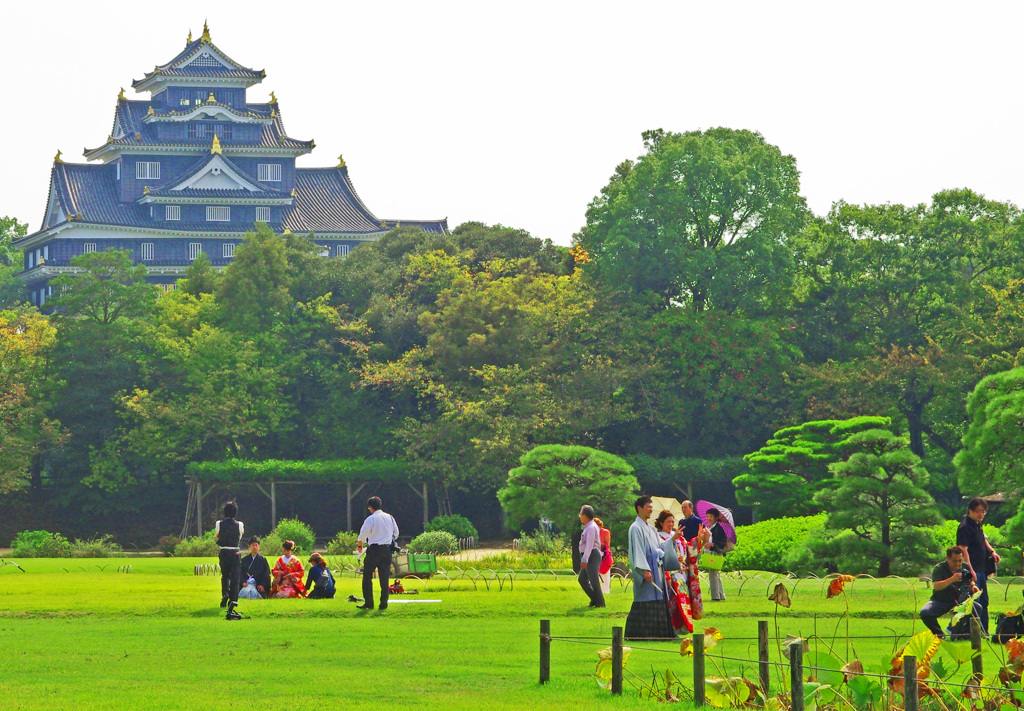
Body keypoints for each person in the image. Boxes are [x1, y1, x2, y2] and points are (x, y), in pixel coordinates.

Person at [625, 495, 682, 640]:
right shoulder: (635, 528)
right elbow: (637, 551)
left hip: (657, 570)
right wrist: (644, 570)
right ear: (639, 508)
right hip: (648, 571)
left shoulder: (650, 528)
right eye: (648, 507)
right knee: (645, 600)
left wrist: (673, 539)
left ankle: (660, 634)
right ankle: (639, 635)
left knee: (658, 600)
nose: (651, 510)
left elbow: (661, 546)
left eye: (651, 507)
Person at [957, 497, 1000, 633]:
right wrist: (970, 569)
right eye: (978, 511)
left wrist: (992, 551)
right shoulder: (965, 527)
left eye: (983, 512)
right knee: (974, 603)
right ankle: (963, 631)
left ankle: (984, 631)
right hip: (973, 570)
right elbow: (963, 549)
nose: (981, 514)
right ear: (970, 511)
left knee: (983, 602)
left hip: (981, 569)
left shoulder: (977, 524)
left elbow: (983, 539)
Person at [920, 546, 983, 639]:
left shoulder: (965, 566)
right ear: (947, 558)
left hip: (960, 601)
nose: (957, 564)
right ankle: (940, 635)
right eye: (954, 561)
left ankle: (964, 635)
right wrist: (951, 579)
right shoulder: (939, 568)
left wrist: (973, 586)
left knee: (977, 608)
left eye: (960, 561)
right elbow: (936, 586)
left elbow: (969, 580)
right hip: (941, 600)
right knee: (925, 612)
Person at [357, 495, 399, 611]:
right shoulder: (389, 517)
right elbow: (396, 533)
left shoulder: (371, 519)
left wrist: (360, 545)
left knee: (367, 576)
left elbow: (363, 533)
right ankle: (383, 603)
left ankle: (369, 603)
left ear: (370, 507)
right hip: (386, 550)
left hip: (374, 549)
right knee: (384, 577)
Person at [215, 501, 244, 620]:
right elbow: (240, 536)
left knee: (225, 575)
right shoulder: (240, 524)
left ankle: (225, 594)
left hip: (224, 551)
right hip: (235, 552)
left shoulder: (219, 523)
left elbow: (217, 536)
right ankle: (233, 601)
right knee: (235, 578)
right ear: (235, 512)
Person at [577, 505, 605, 608]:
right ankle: (594, 599)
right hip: (589, 554)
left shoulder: (591, 527)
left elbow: (589, 545)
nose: (580, 516)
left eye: (581, 514)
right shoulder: (588, 526)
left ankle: (600, 602)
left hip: (592, 555)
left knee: (593, 580)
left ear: (585, 515)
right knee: (582, 579)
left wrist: (585, 559)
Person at [705, 508, 727, 602]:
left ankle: (715, 596)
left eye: (711, 516)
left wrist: (712, 544)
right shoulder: (710, 528)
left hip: (716, 552)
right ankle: (721, 595)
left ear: (716, 517)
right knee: (716, 574)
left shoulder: (718, 528)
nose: (709, 518)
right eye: (707, 516)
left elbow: (722, 542)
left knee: (713, 574)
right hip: (711, 552)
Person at [594, 517, 612, 595]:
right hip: (594, 554)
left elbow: (607, 545)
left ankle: (605, 591)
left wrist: (598, 543)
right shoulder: (592, 532)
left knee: (604, 573)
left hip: (604, 555)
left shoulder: (605, 532)